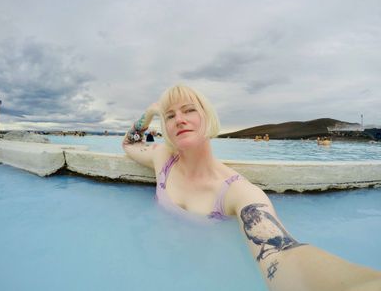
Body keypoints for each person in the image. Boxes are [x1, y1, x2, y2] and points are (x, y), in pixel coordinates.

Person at [122, 85, 380, 291]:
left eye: (188, 110)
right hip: (157, 265)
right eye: (170, 115)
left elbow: (282, 254)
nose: (179, 119)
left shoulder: (237, 192)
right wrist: (150, 112)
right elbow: (129, 144)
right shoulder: (162, 159)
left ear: (207, 116)